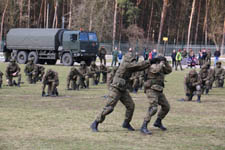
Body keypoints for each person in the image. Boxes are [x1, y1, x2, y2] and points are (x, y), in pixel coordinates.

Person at [90, 48, 151, 132]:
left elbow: (139, 67)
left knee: (131, 106)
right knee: (109, 107)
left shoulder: (130, 65)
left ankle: (126, 123)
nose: (133, 61)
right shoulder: (126, 64)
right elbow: (138, 66)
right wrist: (151, 61)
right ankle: (95, 123)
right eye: (132, 60)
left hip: (123, 89)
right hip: (116, 88)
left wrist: (150, 62)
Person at [140, 56, 172, 135]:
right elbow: (155, 70)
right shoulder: (152, 65)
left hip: (159, 90)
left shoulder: (161, 66)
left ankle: (158, 121)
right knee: (153, 107)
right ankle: (144, 126)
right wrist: (161, 63)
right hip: (151, 89)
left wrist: (166, 62)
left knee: (166, 107)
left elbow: (169, 70)